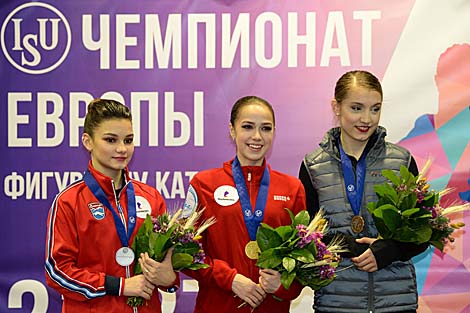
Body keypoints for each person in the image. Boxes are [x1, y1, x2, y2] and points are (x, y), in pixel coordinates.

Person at [299, 70, 428, 313]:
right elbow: (306, 238)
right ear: (336, 107)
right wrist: (347, 245)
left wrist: (391, 250)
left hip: (395, 301)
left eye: (375, 108)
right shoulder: (313, 165)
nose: (366, 119)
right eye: (356, 108)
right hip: (336, 302)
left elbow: (423, 232)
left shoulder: (401, 160)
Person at [45, 98, 178, 313]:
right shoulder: (69, 201)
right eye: (110, 140)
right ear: (88, 142)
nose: (121, 149)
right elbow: (57, 272)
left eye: (128, 140)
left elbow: (165, 271)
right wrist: (119, 286)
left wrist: (169, 278)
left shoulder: (151, 197)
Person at [182, 96, 307, 312]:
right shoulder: (203, 184)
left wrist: (284, 285)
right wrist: (229, 279)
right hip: (217, 305)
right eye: (247, 127)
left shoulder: (292, 188)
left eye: (265, 128)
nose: (257, 136)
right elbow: (184, 252)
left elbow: (304, 258)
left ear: (274, 132)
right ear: (232, 130)